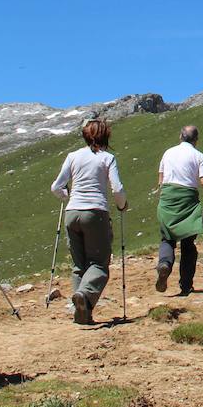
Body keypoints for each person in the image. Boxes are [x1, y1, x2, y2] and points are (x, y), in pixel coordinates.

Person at [50, 117, 127, 324]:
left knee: (79, 264)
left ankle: (81, 312)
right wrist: (121, 205)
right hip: (95, 212)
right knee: (99, 264)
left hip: (72, 212)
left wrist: (68, 196)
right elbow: (117, 188)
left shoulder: (72, 156)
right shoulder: (107, 158)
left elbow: (56, 186)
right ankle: (84, 295)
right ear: (105, 136)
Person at [154, 124, 203, 295]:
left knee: (167, 237)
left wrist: (164, 198)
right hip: (188, 199)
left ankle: (165, 263)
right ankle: (186, 285)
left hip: (168, 196)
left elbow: (161, 179)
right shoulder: (199, 155)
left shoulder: (168, 152)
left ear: (180, 137)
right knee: (188, 244)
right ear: (196, 140)